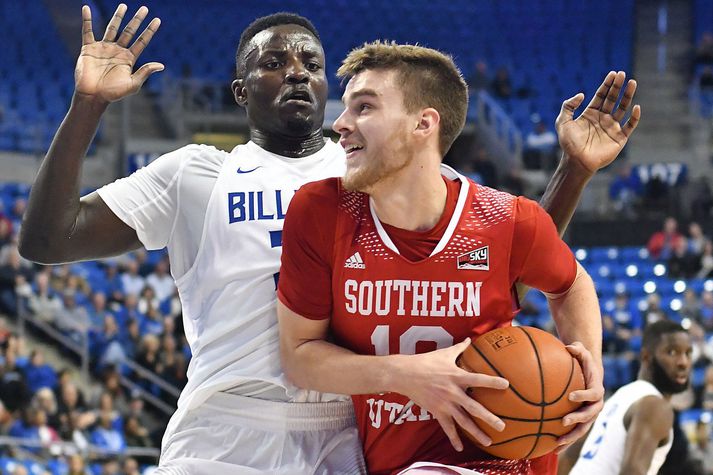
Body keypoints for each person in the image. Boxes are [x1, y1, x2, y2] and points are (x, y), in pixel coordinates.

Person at [18, 4, 639, 474]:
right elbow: (48, 238)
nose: (296, 75)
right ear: (240, 92)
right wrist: (88, 106)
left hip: (347, 427)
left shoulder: (376, 169)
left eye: (311, 65)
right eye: (273, 63)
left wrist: (574, 171)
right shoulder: (194, 173)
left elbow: (498, 257)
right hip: (227, 421)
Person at [277, 42, 639, 474]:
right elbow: (300, 357)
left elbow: (571, 282)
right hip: (397, 462)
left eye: (364, 107)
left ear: (423, 124)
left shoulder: (508, 220)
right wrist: (407, 375)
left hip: (506, 458)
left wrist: (589, 365)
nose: (340, 124)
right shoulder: (322, 212)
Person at [560, 320, 693, 475]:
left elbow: (568, 457)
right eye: (672, 352)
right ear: (646, 357)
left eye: (688, 353)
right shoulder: (655, 405)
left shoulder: (621, 395)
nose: (683, 362)